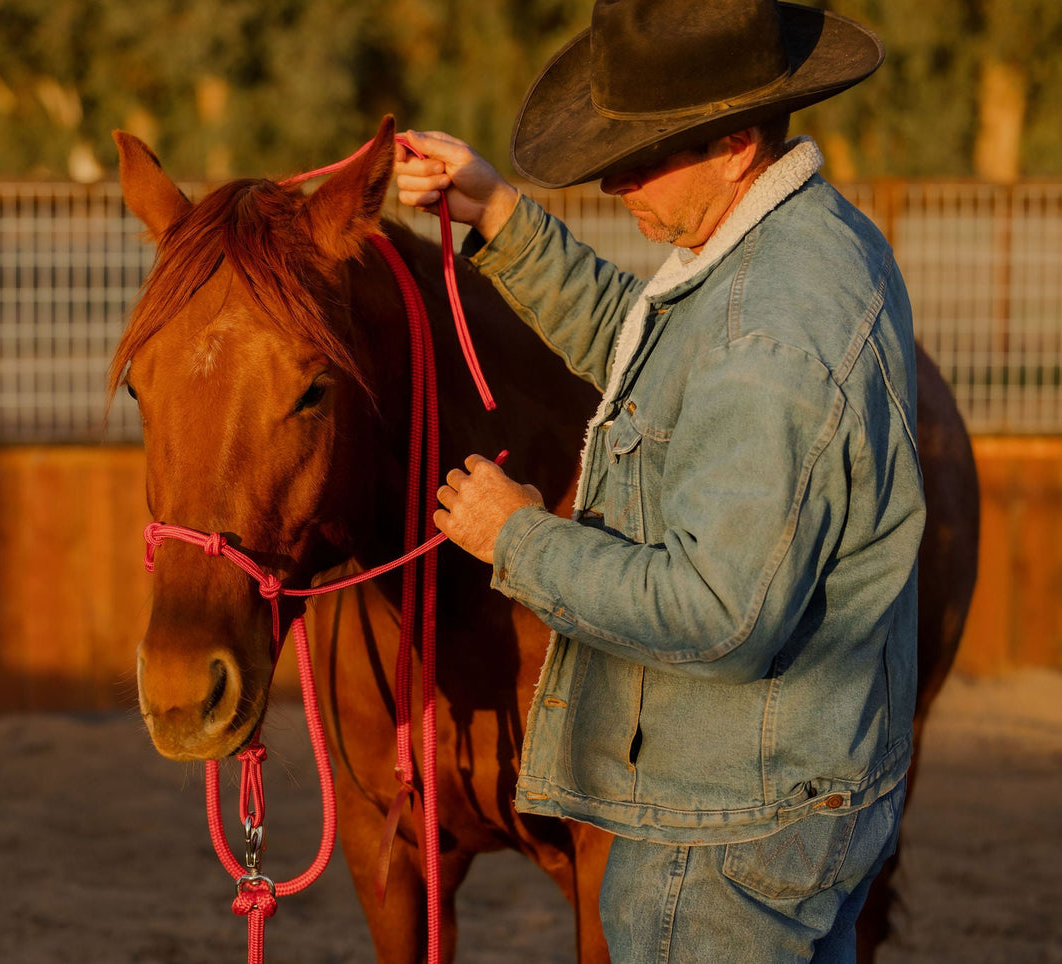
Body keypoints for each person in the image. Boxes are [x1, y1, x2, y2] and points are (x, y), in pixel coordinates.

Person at [394, 1, 925, 961]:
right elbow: (655, 360)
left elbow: (717, 612)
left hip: (721, 825)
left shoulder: (768, 330)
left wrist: (515, 537)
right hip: (796, 783)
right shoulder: (800, 245)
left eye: (641, 156)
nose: (612, 180)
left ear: (730, 144)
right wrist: (499, 217)